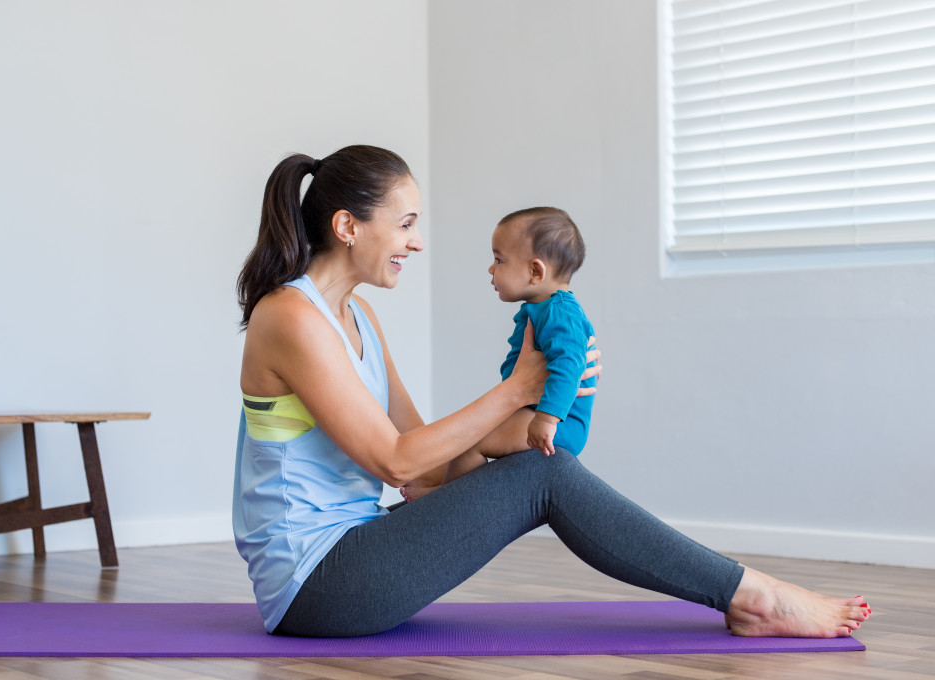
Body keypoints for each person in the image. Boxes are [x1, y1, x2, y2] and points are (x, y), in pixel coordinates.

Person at [233, 144, 871, 638]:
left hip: (354, 549)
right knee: (546, 476)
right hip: (317, 583)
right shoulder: (290, 318)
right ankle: (754, 599)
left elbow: (425, 473)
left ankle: (745, 594)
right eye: (405, 224)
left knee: (545, 468)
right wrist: (517, 393)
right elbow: (395, 461)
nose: (417, 241)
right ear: (348, 225)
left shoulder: (359, 319)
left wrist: (538, 420)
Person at [401, 206, 597, 502]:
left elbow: (570, 367)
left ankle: (443, 497)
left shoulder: (560, 312)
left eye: (499, 259)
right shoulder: (543, 309)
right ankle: (448, 491)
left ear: (535, 271)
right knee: (474, 435)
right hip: (539, 415)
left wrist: (546, 419)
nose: (491, 269)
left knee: (471, 441)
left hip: (559, 424)